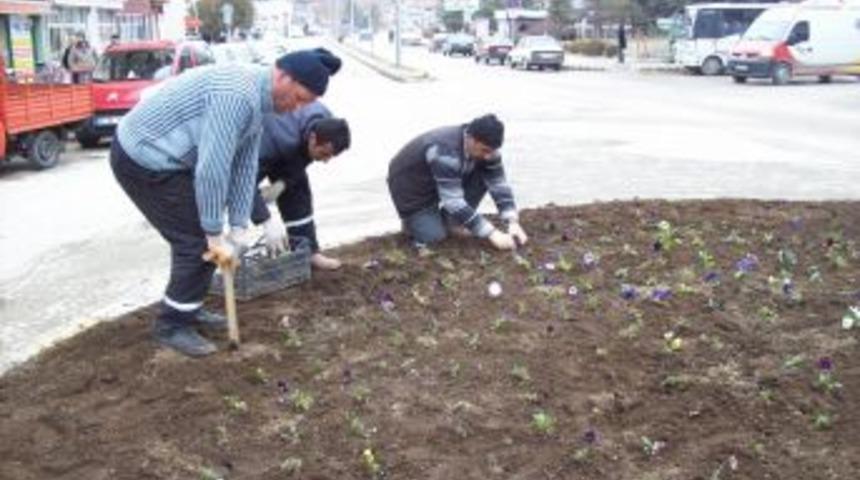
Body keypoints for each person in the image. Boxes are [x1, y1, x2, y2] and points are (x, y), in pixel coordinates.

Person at [110, 48, 342, 357]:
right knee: (196, 242)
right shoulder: (237, 96)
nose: (296, 108)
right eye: (298, 98)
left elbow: (244, 166)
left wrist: (237, 228)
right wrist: (214, 232)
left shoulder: (261, 104)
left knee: (205, 243)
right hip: (144, 155)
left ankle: (188, 308)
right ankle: (172, 324)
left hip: (175, 159)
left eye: (305, 104)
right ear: (283, 76)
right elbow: (212, 169)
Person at [387, 114, 528, 251]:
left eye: (492, 151)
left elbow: (498, 183)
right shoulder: (445, 151)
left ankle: (452, 222)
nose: (488, 156)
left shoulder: (488, 150)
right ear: (471, 139)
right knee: (435, 239)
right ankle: (413, 223)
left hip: (444, 178)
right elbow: (452, 201)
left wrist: (512, 222)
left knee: (484, 174)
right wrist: (492, 233)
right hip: (410, 187)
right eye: (485, 150)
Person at [250, 102, 351, 269]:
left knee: (298, 187)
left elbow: (300, 161)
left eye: (330, 156)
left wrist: (282, 184)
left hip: (287, 134)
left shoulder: (327, 123)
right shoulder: (275, 144)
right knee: (229, 195)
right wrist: (265, 220)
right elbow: (240, 181)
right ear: (312, 139)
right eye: (324, 154)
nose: (326, 161)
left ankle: (309, 253)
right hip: (257, 138)